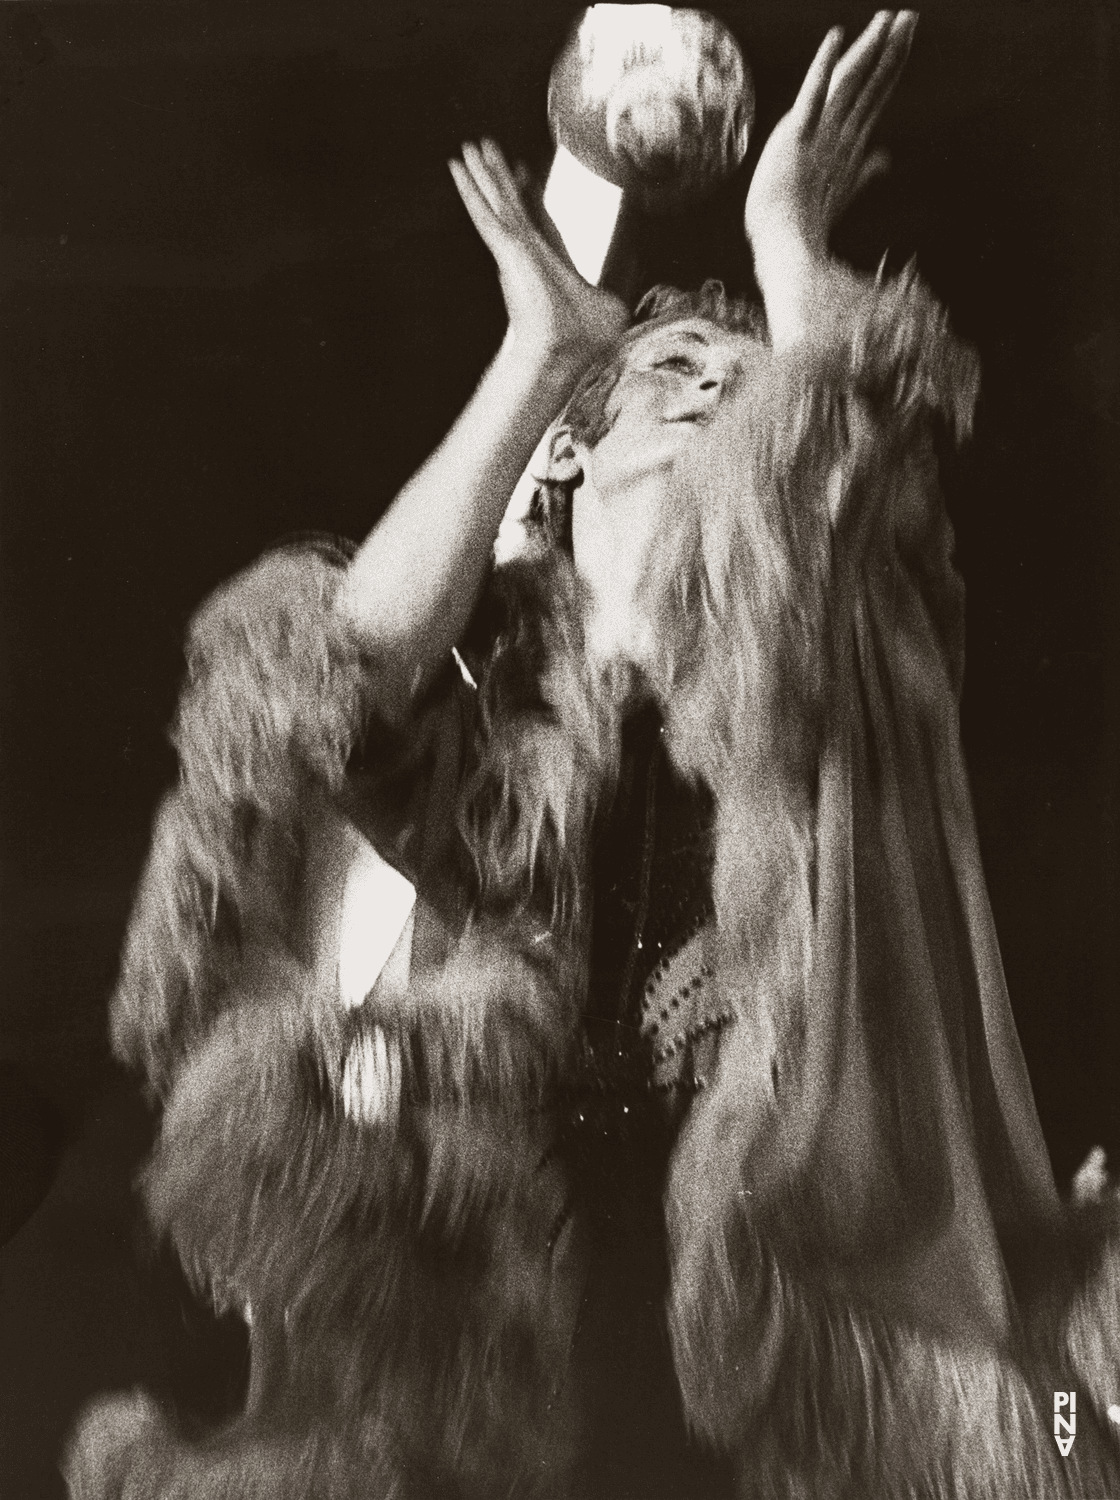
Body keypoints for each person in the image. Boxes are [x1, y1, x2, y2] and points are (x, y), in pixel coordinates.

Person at [65, 13, 1120, 1499]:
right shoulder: (492, 704)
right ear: (569, 457)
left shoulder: (827, 661)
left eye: (742, 383)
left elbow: (836, 477)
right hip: (522, 1281)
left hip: (777, 1272)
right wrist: (545, 352)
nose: (721, 392)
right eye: (677, 369)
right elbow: (336, 684)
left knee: (1052, 1434)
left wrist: (781, 235)